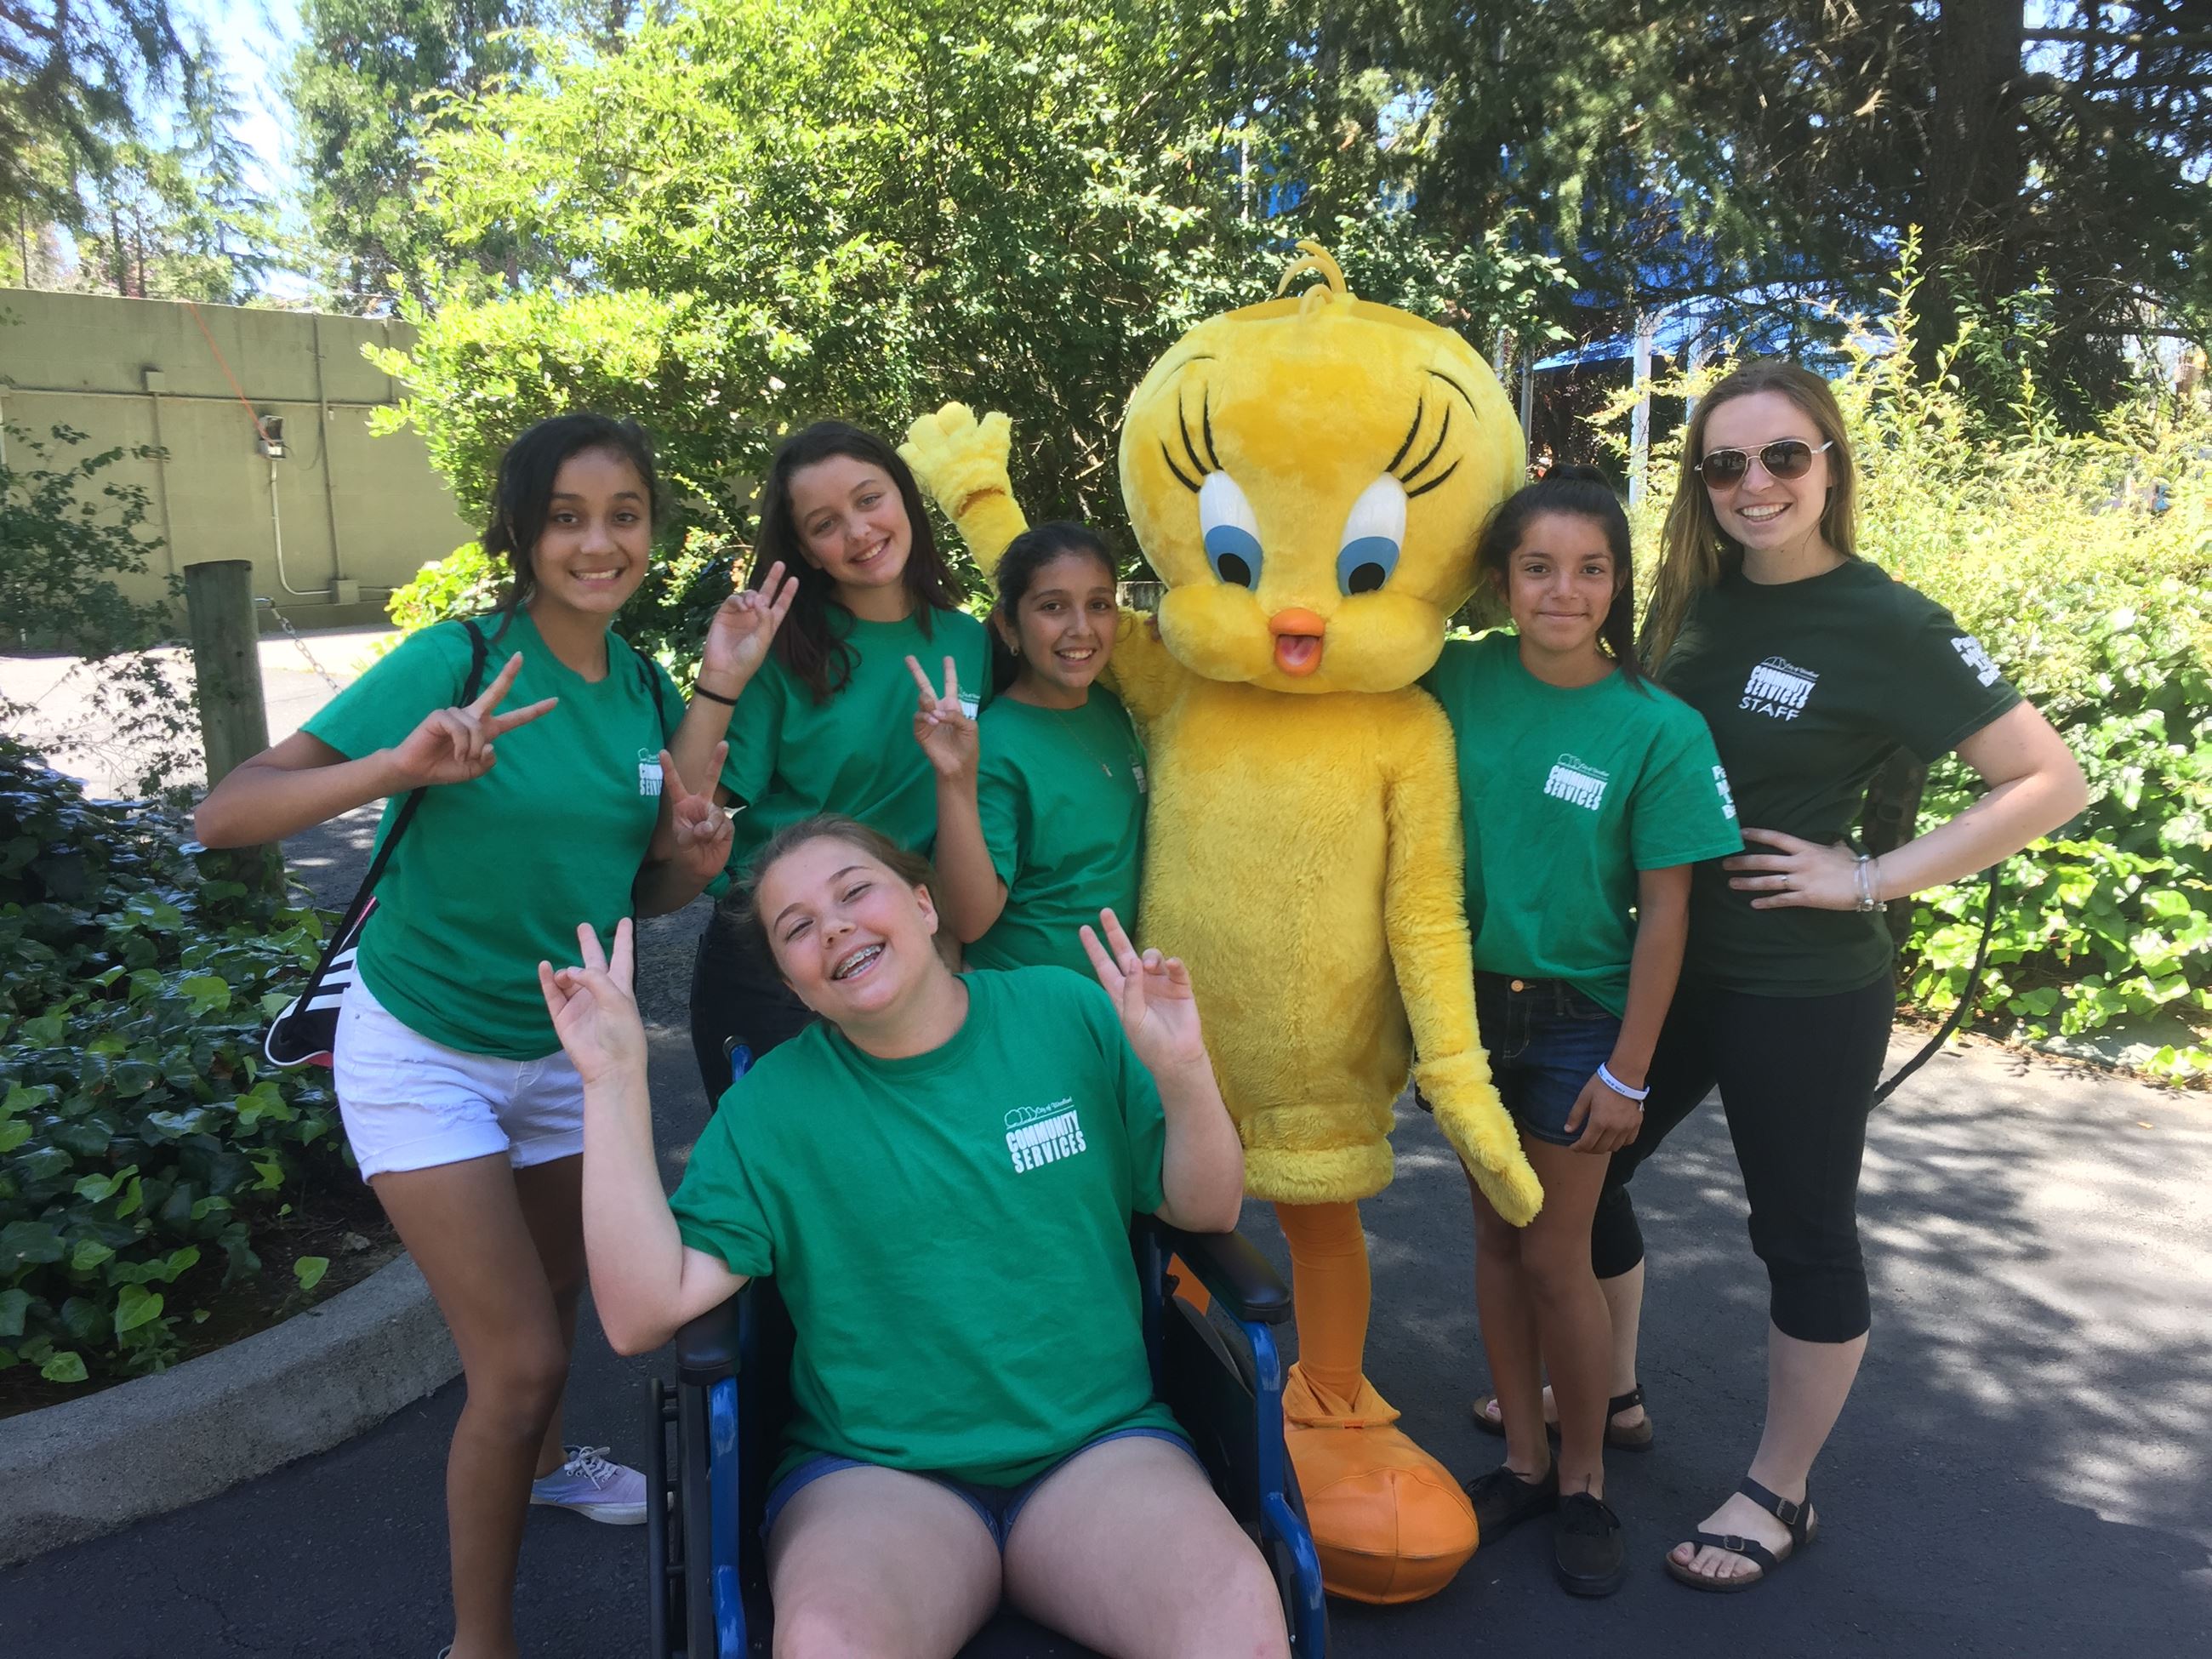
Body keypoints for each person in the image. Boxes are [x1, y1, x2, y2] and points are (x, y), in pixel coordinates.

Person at [194, 413, 794, 1659]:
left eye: (623, 514)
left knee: (561, 1295)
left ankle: (546, 1463)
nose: (598, 542)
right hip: (424, 1049)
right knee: (517, 1367)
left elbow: (642, 886)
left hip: (567, 1052)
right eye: (567, 517)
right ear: (521, 531)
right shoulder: (455, 657)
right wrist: (396, 769)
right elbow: (226, 814)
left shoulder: (641, 687)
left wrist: (696, 846)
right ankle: (479, 1639)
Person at [542, 816, 1290, 1658]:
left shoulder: (1066, 1012)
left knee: (1238, 1622)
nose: (833, 927)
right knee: (828, 1645)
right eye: (797, 928)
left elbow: (1206, 1210)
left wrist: (1184, 1073)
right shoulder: (771, 1112)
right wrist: (611, 1080)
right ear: (793, 985)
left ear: (925, 906)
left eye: (855, 891)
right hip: (878, 1478)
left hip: (1099, 1451)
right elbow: (640, 1314)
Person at [1598, 360, 2087, 1590]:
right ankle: (1607, 1392)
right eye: (1724, 463)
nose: (1753, 483)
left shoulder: (1890, 623)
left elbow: (2048, 780)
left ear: (1829, 465)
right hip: (1667, 961)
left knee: (1800, 1232)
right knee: (1582, 1169)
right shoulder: (1688, 602)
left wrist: (1866, 876)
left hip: (1802, 985)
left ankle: (1780, 1488)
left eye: (1782, 456)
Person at [1422, 470, 1743, 1597]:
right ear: (1499, 580)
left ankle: (1583, 1480)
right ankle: (1520, 1459)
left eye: (1590, 569)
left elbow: (1669, 915)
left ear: (1618, 582)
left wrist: (1629, 1070)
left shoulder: (1656, 727)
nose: (1563, 590)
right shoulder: (1456, 676)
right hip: (1464, 1011)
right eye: (1538, 567)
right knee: (1493, 1240)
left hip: (1579, 1022)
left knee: (1556, 1254)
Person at [687, 422, 991, 1097]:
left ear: (905, 498)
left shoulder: (971, 643)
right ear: (806, 550)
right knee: (787, 1157)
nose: (858, 531)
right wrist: (719, 679)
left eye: (869, 499)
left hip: (903, 941)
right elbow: (692, 803)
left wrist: (949, 941)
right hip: (779, 950)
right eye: (825, 524)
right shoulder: (782, 651)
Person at [913, 520, 1147, 976]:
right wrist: (955, 779)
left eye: (1098, 605)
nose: (1081, 627)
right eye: (1053, 606)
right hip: (1029, 998)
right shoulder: (995, 743)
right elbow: (968, 921)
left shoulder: (1111, 709)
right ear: (1009, 627)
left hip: (1113, 997)